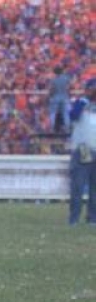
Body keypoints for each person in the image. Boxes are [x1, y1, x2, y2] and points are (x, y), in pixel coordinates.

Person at [67, 79, 96, 226]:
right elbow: (73, 115)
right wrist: (84, 100)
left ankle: (93, 217)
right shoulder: (81, 104)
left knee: (94, 188)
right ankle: (74, 217)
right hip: (82, 149)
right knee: (78, 186)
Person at [48, 67, 72, 134]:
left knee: (53, 113)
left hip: (56, 97)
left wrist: (49, 95)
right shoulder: (66, 78)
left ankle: (52, 127)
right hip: (64, 97)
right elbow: (69, 87)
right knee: (65, 113)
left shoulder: (53, 80)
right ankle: (67, 128)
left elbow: (52, 90)